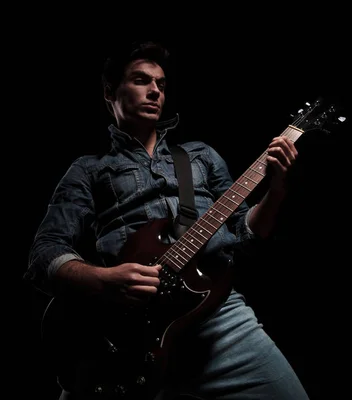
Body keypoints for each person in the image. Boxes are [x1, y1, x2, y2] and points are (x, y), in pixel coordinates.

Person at [25, 40, 310, 400]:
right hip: (124, 332)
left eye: (161, 84)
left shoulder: (200, 156)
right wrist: (104, 280)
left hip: (218, 320)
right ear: (110, 92)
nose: (155, 91)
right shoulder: (89, 169)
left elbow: (245, 234)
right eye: (141, 81)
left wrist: (278, 189)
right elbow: (44, 253)